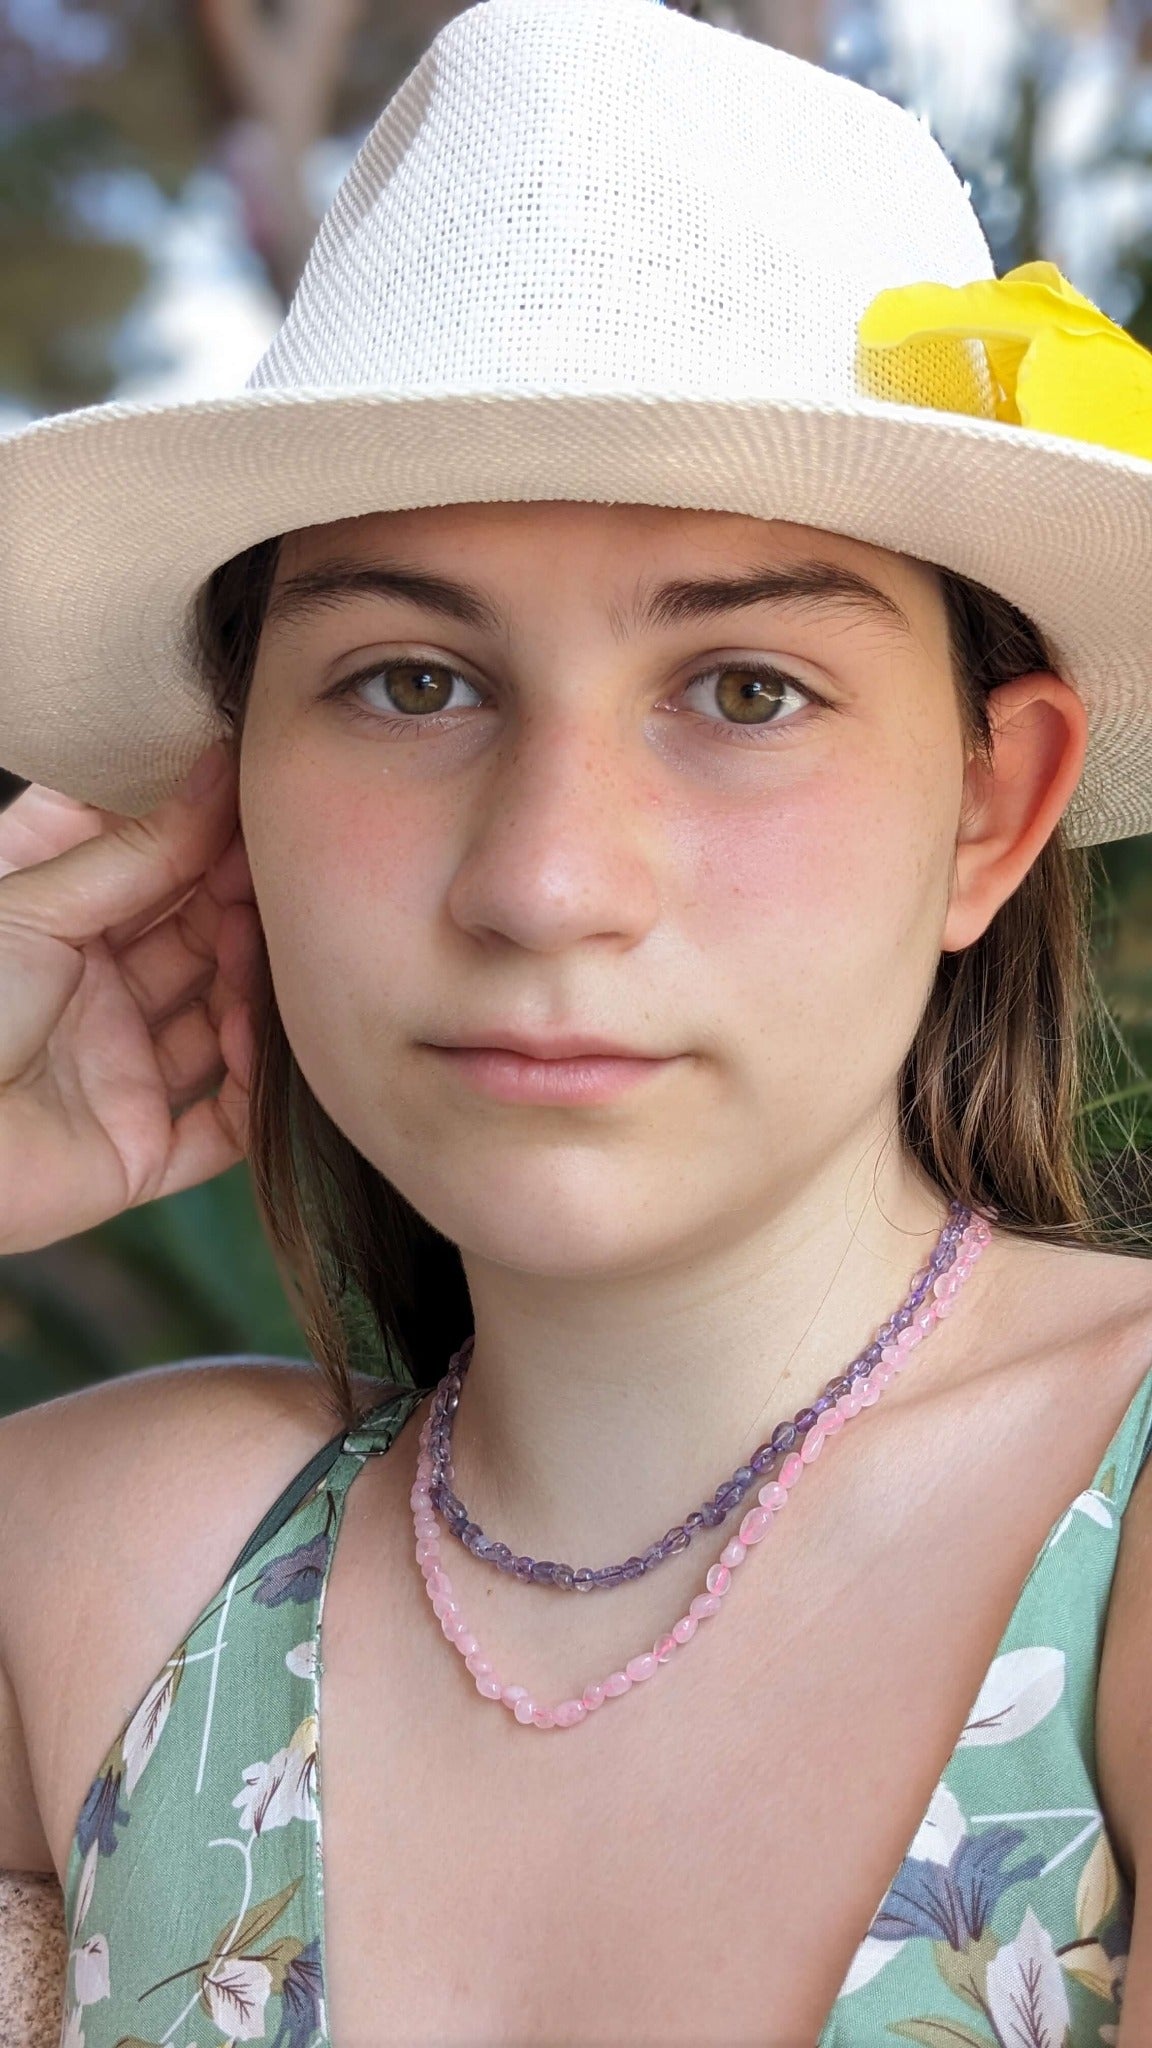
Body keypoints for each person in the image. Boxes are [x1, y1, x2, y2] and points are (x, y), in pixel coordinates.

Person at [1, 1, 1151, 2043]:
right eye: (411, 681)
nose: (544, 879)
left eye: (745, 690)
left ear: (994, 803)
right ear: (230, 795)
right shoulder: (102, 1574)